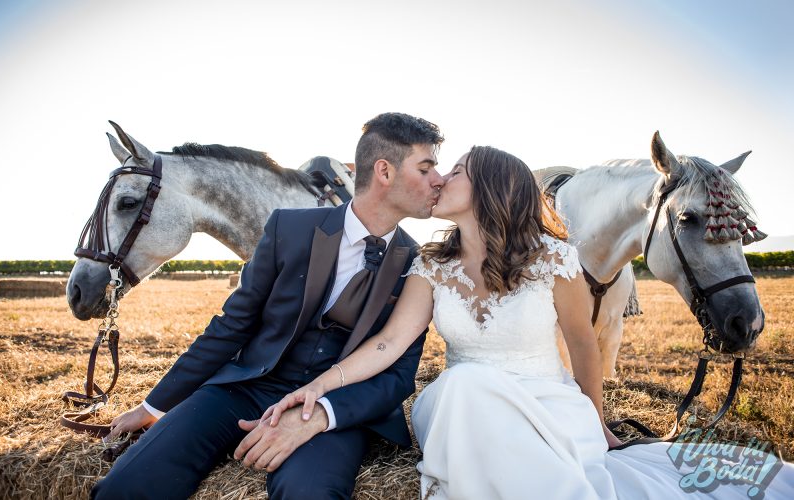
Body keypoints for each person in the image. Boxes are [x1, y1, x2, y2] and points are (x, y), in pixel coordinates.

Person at [264, 146, 794, 499]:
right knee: (464, 384)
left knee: (472, 391)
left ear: (493, 189)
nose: (441, 178)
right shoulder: (432, 265)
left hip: (550, 407)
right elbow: (388, 344)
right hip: (458, 408)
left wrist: (597, 421)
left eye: (457, 171)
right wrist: (318, 386)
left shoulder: (555, 260)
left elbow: (584, 347)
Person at [91, 112, 446, 499]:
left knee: (308, 495)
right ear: (384, 171)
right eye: (426, 168)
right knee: (125, 487)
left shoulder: (419, 265)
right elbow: (231, 325)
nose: (438, 180)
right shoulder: (288, 229)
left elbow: (397, 377)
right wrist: (154, 406)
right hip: (246, 388)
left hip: (333, 408)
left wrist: (323, 414)